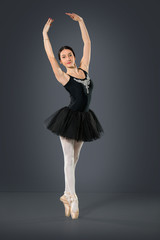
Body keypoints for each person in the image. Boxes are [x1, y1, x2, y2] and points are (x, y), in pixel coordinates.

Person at [42, 13, 104, 219]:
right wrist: (45, 34)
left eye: (69, 55)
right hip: (68, 119)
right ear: (61, 62)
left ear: (74, 56)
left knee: (75, 158)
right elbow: (50, 56)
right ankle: (74, 198)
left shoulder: (84, 68)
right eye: (64, 57)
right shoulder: (63, 76)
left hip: (85, 120)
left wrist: (82, 22)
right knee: (68, 160)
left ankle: (66, 194)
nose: (67, 58)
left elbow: (87, 42)